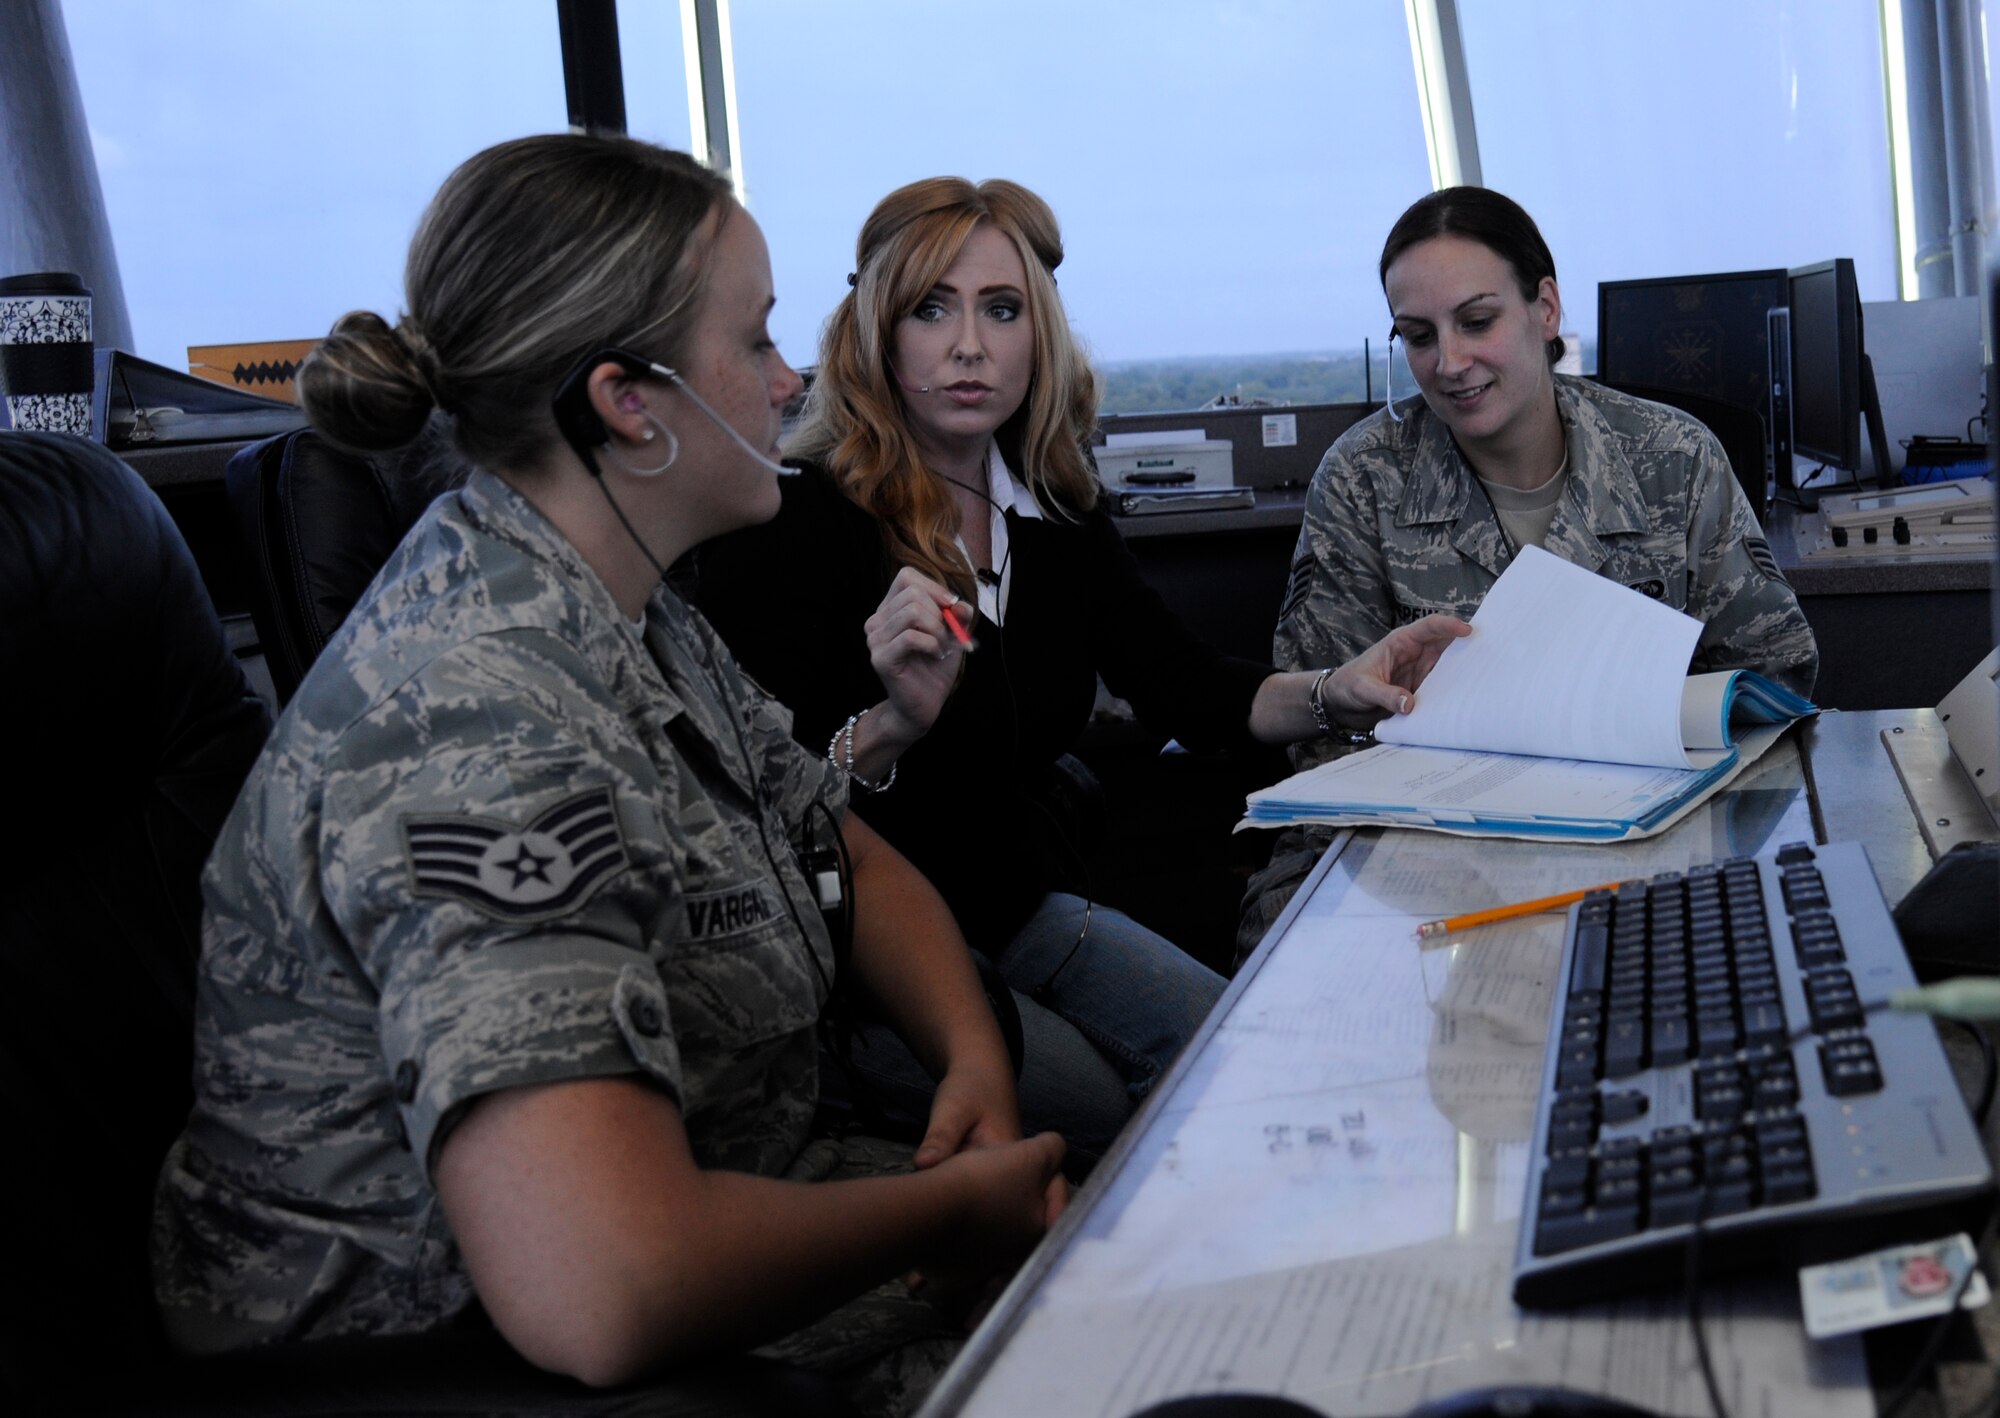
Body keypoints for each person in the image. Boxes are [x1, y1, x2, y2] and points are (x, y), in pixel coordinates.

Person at [151, 135, 1073, 1417]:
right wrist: (951, 1207)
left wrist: (973, 1064)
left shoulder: (627, 601)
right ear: (630, 402)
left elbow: (833, 845)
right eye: (753, 342)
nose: (789, 376)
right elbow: (604, 1285)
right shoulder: (481, 723)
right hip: (456, 1355)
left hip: (736, 1205)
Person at [692, 177, 1469, 1156]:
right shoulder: (798, 518)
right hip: (862, 964)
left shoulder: (1052, 512)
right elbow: (757, 813)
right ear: (877, 332)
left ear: (1038, 335)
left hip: (1019, 910)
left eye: (1001, 309)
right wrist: (891, 722)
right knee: (1125, 1126)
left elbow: (1181, 681)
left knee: (1255, 1062)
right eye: (931, 308)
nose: (968, 344)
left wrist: (1333, 691)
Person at [1235, 186, 1819, 963]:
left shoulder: (1671, 460)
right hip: (1410, 860)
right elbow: (1321, 733)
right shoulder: (1364, 477)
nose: (1448, 363)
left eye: (1477, 322)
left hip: (1636, 846)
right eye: (1418, 336)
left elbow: (1775, 683)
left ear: (1545, 309)